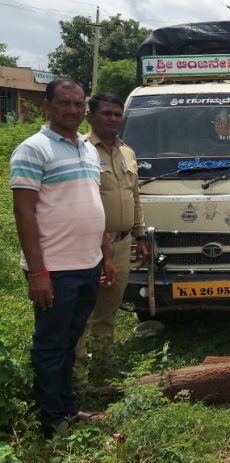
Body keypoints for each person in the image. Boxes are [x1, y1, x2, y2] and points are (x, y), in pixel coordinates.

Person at [10, 78, 117, 436]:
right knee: (51, 346)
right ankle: (51, 421)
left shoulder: (87, 149)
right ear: (48, 106)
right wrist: (38, 272)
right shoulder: (33, 149)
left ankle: (69, 409)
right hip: (55, 269)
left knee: (70, 343)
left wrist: (105, 255)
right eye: (64, 103)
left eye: (77, 104)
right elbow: (24, 214)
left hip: (87, 265)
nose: (72, 110)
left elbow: (93, 205)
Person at [74, 93, 148, 383]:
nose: (113, 119)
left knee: (108, 310)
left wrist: (140, 235)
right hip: (88, 245)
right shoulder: (80, 151)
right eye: (106, 113)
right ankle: (77, 377)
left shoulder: (126, 152)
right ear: (90, 116)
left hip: (122, 243)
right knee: (82, 312)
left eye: (118, 114)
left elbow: (135, 197)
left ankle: (103, 369)